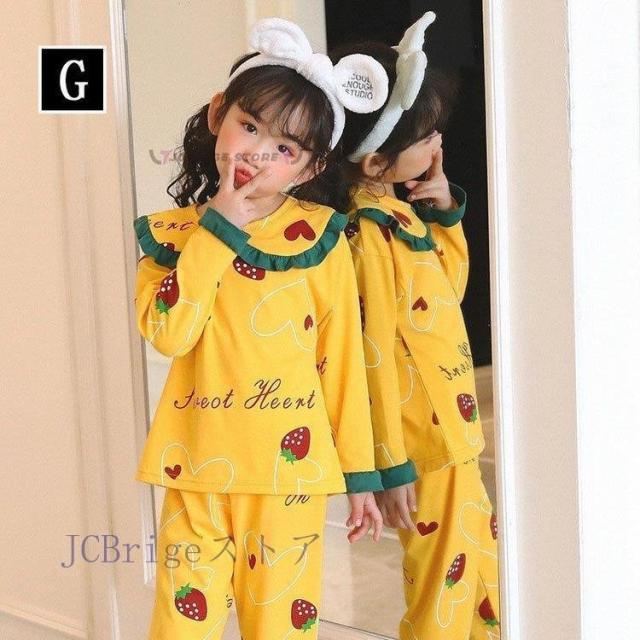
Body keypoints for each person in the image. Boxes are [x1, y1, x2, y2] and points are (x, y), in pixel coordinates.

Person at [132, 17, 389, 639]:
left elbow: (341, 362)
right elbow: (168, 333)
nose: (256, 154)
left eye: (285, 148)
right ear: (219, 113)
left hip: (289, 481)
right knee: (179, 628)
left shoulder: (321, 240)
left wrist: (360, 476)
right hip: (195, 469)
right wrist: (217, 230)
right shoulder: (171, 237)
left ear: (309, 168)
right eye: (249, 126)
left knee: (279, 628)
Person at [329, 12, 500, 639]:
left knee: (474, 564)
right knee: (439, 586)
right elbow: (370, 353)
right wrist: (390, 464)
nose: (438, 143)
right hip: (421, 440)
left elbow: (446, 295)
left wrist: (444, 212)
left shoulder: (399, 219)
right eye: (425, 136)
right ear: (377, 162)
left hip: (452, 428)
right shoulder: (366, 234)